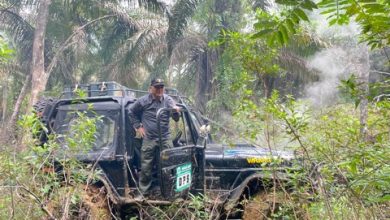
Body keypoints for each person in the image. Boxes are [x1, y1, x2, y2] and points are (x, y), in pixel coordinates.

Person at [128, 78, 180, 197]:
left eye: (161, 87)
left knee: (168, 166)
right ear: (150, 88)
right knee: (146, 167)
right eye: (156, 87)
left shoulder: (168, 100)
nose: (159, 89)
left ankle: (170, 193)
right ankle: (143, 193)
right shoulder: (143, 101)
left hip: (165, 139)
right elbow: (131, 112)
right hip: (149, 139)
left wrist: (176, 111)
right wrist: (138, 126)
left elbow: (176, 118)